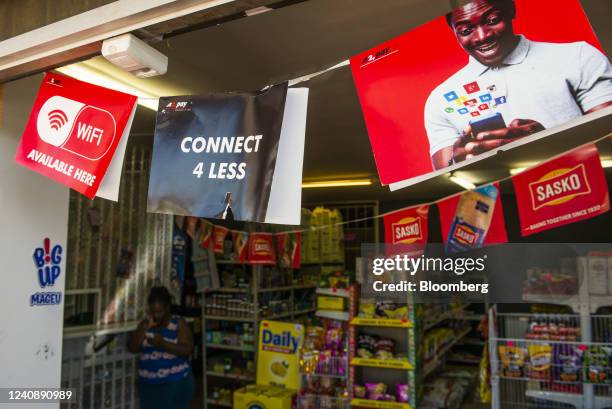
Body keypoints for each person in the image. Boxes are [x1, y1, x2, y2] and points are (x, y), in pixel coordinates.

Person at [425, 0, 612, 170]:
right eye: (466, 31)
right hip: (509, 201)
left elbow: (608, 137)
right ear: (454, 33)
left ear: (511, 11)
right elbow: (447, 181)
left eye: (492, 20)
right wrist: (457, 163)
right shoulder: (440, 98)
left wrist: (548, 145)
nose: (482, 37)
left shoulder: (578, 56)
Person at [128, 286, 194, 409]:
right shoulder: (145, 324)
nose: (156, 315)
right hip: (148, 386)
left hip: (174, 385)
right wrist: (144, 328)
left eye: (159, 312)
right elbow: (132, 348)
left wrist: (163, 343)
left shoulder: (178, 323)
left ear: (168, 307)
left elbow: (187, 350)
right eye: (153, 312)